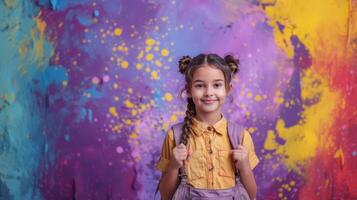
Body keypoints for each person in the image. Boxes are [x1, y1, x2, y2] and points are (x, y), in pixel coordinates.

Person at [155, 53, 259, 200]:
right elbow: (166, 196)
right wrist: (173, 166)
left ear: (228, 89)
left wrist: (245, 168)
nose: (209, 93)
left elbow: (252, 194)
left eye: (217, 85)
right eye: (199, 86)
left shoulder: (241, 137)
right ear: (189, 90)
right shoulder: (174, 136)